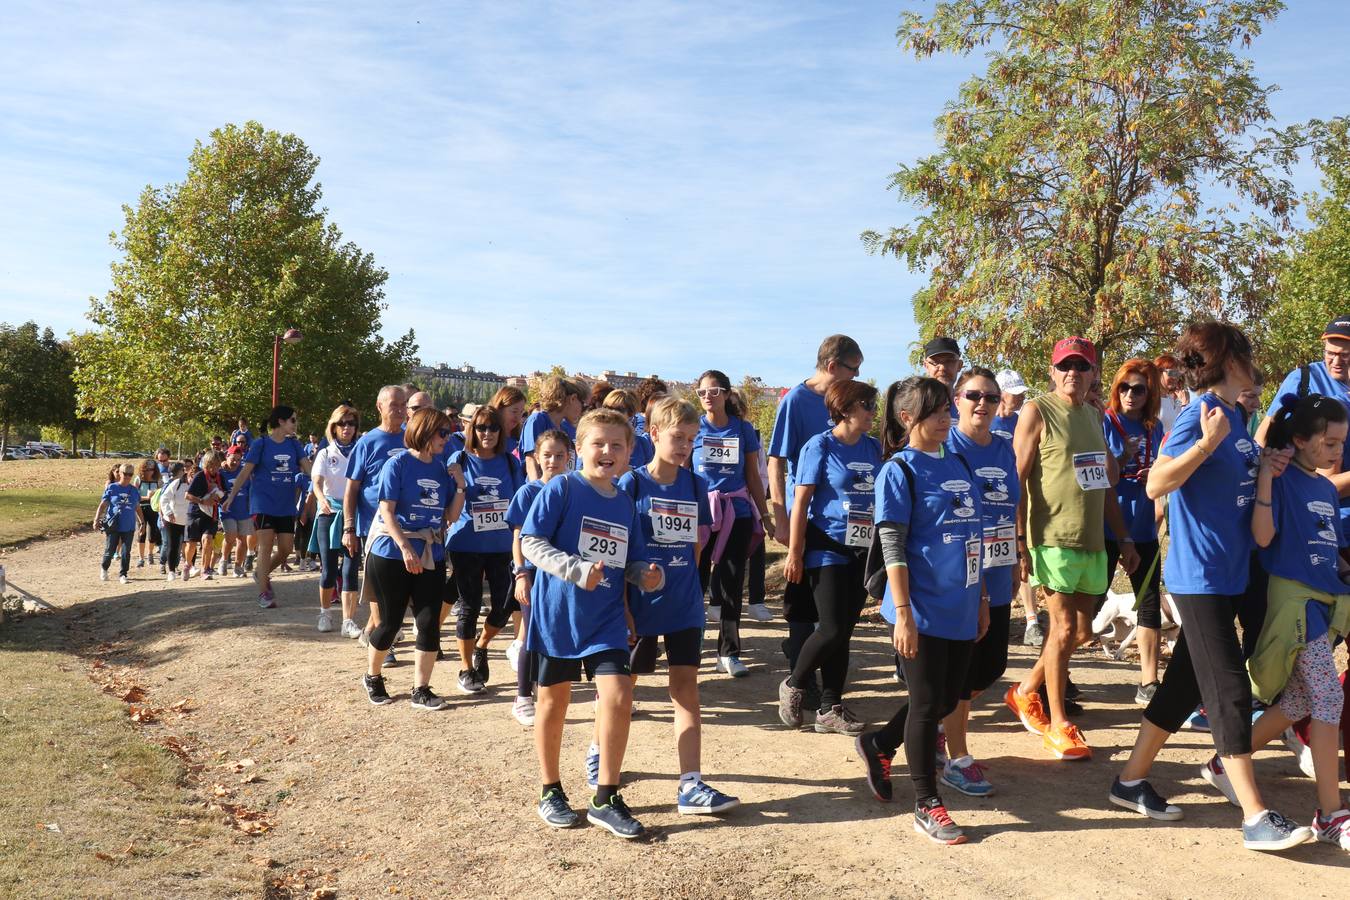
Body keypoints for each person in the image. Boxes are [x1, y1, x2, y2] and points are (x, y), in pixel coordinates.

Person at [1109, 321, 1313, 852]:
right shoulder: (1206, 416)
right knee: (1227, 688)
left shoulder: (1240, 418)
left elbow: (1237, 485)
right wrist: (1204, 444)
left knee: (1184, 686)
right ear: (1228, 361)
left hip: (1233, 574)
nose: (1252, 361)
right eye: (1244, 353)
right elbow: (1158, 483)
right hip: (1198, 578)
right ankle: (1255, 816)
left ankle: (1128, 780)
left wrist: (1265, 464)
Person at [854, 376, 986, 846]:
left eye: (946, 408)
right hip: (920, 606)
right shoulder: (899, 471)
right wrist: (904, 612)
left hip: (962, 602)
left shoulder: (961, 462)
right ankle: (927, 802)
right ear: (907, 417)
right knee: (929, 704)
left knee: (947, 699)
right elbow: (892, 543)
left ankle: (879, 743)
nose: (946, 416)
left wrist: (983, 598)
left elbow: (975, 533)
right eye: (934, 411)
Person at [522, 408, 663, 837]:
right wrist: (574, 569)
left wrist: (647, 574)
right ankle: (550, 789)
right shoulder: (561, 489)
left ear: (629, 452)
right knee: (554, 704)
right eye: (598, 443)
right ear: (578, 449)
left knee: (619, 698)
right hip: (558, 618)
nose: (607, 451)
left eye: (616, 445)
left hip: (605, 621)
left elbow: (630, 560)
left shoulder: (625, 502)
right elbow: (530, 542)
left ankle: (606, 796)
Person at [1004, 337, 1138, 761]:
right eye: (1066, 366)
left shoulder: (1095, 415)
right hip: (1052, 538)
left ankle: (1024, 691)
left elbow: (1108, 480)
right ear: (1052, 370)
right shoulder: (1037, 410)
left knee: (1081, 632)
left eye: (1082, 367)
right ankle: (1059, 724)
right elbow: (1017, 479)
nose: (1073, 375)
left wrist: (1126, 538)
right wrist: (1019, 540)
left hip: (1093, 540)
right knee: (1061, 630)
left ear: (1094, 374)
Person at [1234, 393, 1350, 851]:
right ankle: (1331, 813)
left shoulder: (1324, 487)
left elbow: (1330, 551)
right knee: (1326, 696)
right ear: (1299, 439)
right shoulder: (1280, 480)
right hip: (1293, 604)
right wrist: (1266, 480)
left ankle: (1227, 761)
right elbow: (1263, 537)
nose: (1338, 450)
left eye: (1343, 442)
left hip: (1325, 601)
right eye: (1330, 442)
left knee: (1301, 697)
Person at [618, 397, 740, 814]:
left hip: (684, 602)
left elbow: (696, 547)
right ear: (652, 434)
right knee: (622, 689)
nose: (686, 445)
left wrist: (690, 589)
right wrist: (626, 605)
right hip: (640, 604)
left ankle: (691, 784)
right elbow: (618, 553)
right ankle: (600, 753)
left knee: (686, 690)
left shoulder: (696, 484)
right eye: (677, 436)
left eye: (691, 438)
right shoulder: (630, 484)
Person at [933, 367, 1022, 797]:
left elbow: (1012, 505)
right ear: (956, 400)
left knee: (991, 666)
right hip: (964, 576)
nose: (982, 404)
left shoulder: (1004, 449)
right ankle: (957, 757)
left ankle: (933, 726)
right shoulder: (946, 448)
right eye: (973, 396)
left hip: (1000, 569)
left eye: (990, 396)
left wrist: (1018, 553)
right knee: (962, 671)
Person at [779, 380, 880, 735]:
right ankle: (795, 683)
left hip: (862, 548)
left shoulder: (872, 447)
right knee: (832, 627)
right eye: (868, 405)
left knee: (845, 631)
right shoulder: (819, 446)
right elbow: (802, 502)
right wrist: (794, 551)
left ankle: (830, 708)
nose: (873, 413)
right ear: (847, 408)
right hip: (825, 546)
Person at [768, 335, 862, 692]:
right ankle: (800, 680)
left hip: (839, 522)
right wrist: (780, 515)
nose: (858, 376)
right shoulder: (797, 400)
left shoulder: (847, 400)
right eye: (854, 369)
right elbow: (776, 460)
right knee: (803, 602)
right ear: (832, 366)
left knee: (832, 609)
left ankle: (824, 688)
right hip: (802, 516)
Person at [360, 407, 462, 710]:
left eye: (448, 432)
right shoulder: (397, 464)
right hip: (392, 551)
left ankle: (421, 688)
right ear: (424, 431)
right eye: (442, 432)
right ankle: (372, 675)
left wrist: (460, 486)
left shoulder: (442, 468)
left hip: (430, 550)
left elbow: (450, 516)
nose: (447, 438)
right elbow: (387, 512)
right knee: (389, 623)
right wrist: (405, 547)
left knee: (429, 622)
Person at [693, 369, 773, 677]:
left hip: (736, 511)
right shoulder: (693, 427)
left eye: (713, 391)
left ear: (726, 394)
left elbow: (753, 475)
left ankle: (728, 653)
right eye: (702, 393)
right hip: (701, 514)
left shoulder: (744, 429)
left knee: (730, 582)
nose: (708, 398)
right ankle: (691, 643)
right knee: (695, 581)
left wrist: (764, 515)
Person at [445, 404, 525, 694]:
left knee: (505, 606)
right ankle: (466, 670)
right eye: (481, 427)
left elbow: (519, 502)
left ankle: (482, 644)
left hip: (501, 545)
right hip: (466, 543)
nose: (487, 433)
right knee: (468, 606)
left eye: (493, 428)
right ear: (471, 430)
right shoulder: (460, 458)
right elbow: (447, 500)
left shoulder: (509, 462)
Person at [1103, 359, 1167, 703]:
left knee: (1149, 603)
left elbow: (1163, 469)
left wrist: (1154, 472)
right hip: (1107, 528)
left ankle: (1148, 681)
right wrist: (1122, 456)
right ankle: (1056, 675)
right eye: (1124, 387)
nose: (1130, 394)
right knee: (1089, 605)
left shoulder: (1154, 427)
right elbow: (1100, 474)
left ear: (1149, 393)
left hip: (1143, 526)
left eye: (1138, 388)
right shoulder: (1105, 422)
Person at [506, 429, 574, 725]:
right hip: (532, 574)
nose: (554, 461)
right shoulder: (528, 492)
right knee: (530, 633)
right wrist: (521, 574)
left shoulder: (574, 489)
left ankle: (544, 686)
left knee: (555, 634)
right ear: (536, 457)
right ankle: (522, 697)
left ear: (569, 457)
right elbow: (518, 537)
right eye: (547, 455)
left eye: (560, 455)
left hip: (562, 576)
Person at [1256, 317, 1350, 528]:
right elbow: (1263, 437)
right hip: (1313, 512)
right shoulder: (1304, 378)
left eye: (1345, 355)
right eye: (1330, 353)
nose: (1336, 361)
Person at [342, 386, 409, 663]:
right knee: (381, 586)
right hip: (374, 528)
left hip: (406, 525)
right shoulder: (367, 442)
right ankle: (386, 640)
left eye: (403, 404)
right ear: (379, 407)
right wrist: (348, 527)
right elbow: (351, 489)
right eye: (393, 404)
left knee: (397, 588)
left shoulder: (411, 439)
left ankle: (371, 630)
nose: (400, 409)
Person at [222, 405, 312, 609]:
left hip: (286, 504)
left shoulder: (295, 445)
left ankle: (259, 574)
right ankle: (264, 592)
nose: (296, 424)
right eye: (293, 420)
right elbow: (245, 472)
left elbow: (310, 469)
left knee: (286, 550)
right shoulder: (261, 443)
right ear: (281, 421)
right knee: (265, 546)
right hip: (263, 503)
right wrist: (231, 496)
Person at [312, 405, 361, 636]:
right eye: (342, 423)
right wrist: (322, 500)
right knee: (329, 568)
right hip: (329, 513)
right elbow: (317, 482)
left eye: (351, 424)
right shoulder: (325, 453)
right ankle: (324, 612)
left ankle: (348, 621)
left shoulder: (361, 450)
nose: (347, 428)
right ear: (334, 426)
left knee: (350, 569)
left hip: (353, 514)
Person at [521, 377, 583, 480]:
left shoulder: (564, 428)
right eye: (582, 404)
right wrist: (537, 491)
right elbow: (531, 460)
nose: (581, 410)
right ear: (573, 399)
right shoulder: (538, 419)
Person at [95, 464, 142, 585]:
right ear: (119, 473)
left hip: (129, 525)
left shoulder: (134, 490)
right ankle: (104, 568)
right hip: (113, 524)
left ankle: (123, 574)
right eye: (125, 474)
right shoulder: (112, 487)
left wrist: (142, 522)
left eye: (130, 474)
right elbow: (103, 505)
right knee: (110, 550)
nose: (127, 477)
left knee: (126, 552)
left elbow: (137, 507)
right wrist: (96, 519)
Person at [182, 451, 225, 581]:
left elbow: (224, 494)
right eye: (212, 465)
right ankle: (188, 564)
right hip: (195, 513)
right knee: (192, 544)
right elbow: (187, 496)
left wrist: (218, 496)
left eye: (217, 465)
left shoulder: (219, 477)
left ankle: (204, 569)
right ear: (206, 464)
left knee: (208, 540)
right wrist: (202, 501)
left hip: (211, 514)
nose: (215, 468)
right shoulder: (200, 476)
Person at [218, 447, 254, 578]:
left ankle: (238, 567)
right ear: (227, 456)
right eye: (233, 459)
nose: (235, 462)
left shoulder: (245, 472)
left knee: (242, 540)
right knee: (230, 535)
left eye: (238, 460)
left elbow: (251, 489)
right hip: (227, 510)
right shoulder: (220, 472)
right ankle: (223, 559)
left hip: (244, 510)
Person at [603, 389, 653, 472]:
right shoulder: (596, 441)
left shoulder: (642, 444)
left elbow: (649, 476)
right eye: (607, 408)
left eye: (618, 410)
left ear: (631, 414)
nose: (611, 413)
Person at [158, 462, 190, 582]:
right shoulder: (176, 484)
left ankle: (189, 566)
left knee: (190, 544)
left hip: (189, 520)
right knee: (173, 545)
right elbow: (164, 499)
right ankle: (171, 571)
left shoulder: (195, 484)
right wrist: (168, 513)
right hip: (173, 520)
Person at [133, 459, 161, 570]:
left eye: (152, 469)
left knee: (153, 532)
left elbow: (161, 494)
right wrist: (146, 497)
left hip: (153, 509)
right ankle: (141, 557)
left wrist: (155, 496)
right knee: (141, 532)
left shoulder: (158, 480)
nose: (150, 472)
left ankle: (150, 553)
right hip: (141, 508)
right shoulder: (138, 480)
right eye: (147, 469)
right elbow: (134, 495)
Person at [921, 337, 963, 409]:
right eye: (935, 362)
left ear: (959, 365)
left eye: (949, 361)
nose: (942, 368)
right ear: (926, 366)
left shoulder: (968, 409)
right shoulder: (916, 407)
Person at [1156, 355, 1191, 432]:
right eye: (1172, 373)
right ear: (1159, 372)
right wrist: (1184, 405)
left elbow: (1179, 420)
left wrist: (1183, 403)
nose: (1175, 378)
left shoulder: (1171, 399)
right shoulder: (1149, 398)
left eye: (1178, 374)